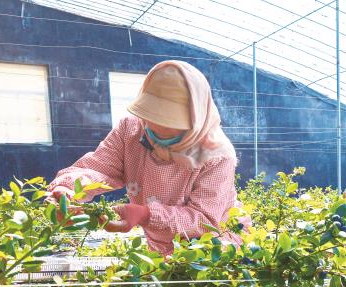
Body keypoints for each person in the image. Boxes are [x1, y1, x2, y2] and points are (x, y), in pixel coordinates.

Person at [47, 60, 246, 255]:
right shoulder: (131, 130)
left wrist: (146, 215)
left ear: (196, 119)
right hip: (162, 245)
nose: (157, 133)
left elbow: (203, 219)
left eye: (171, 127)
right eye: (151, 121)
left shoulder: (216, 155)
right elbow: (99, 167)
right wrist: (69, 188)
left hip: (216, 247)